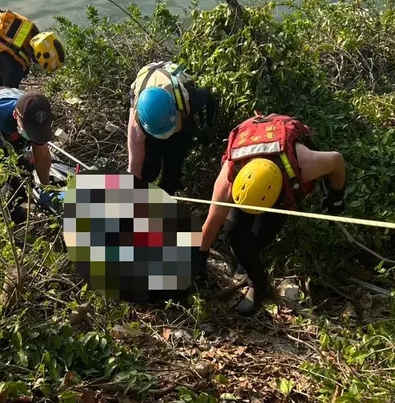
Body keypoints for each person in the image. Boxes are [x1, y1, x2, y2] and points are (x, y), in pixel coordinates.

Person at [198, 113, 346, 316]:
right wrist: (199, 262)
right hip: (251, 168)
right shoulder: (229, 176)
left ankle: (256, 280)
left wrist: (336, 196)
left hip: (281, 179)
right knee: (233, 229)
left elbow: (337, 160)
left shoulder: (304, 165)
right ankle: (254, 275)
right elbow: (211, 224)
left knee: (261, 235)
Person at [127, 62, 215, 195]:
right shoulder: (136, 125)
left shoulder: (190, 99)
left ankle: (164, 198)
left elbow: (210, 95)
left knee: (172, 172)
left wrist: (209, 125)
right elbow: (134, 166)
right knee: (148, 169)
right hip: (152, 125)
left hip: (179, 126)